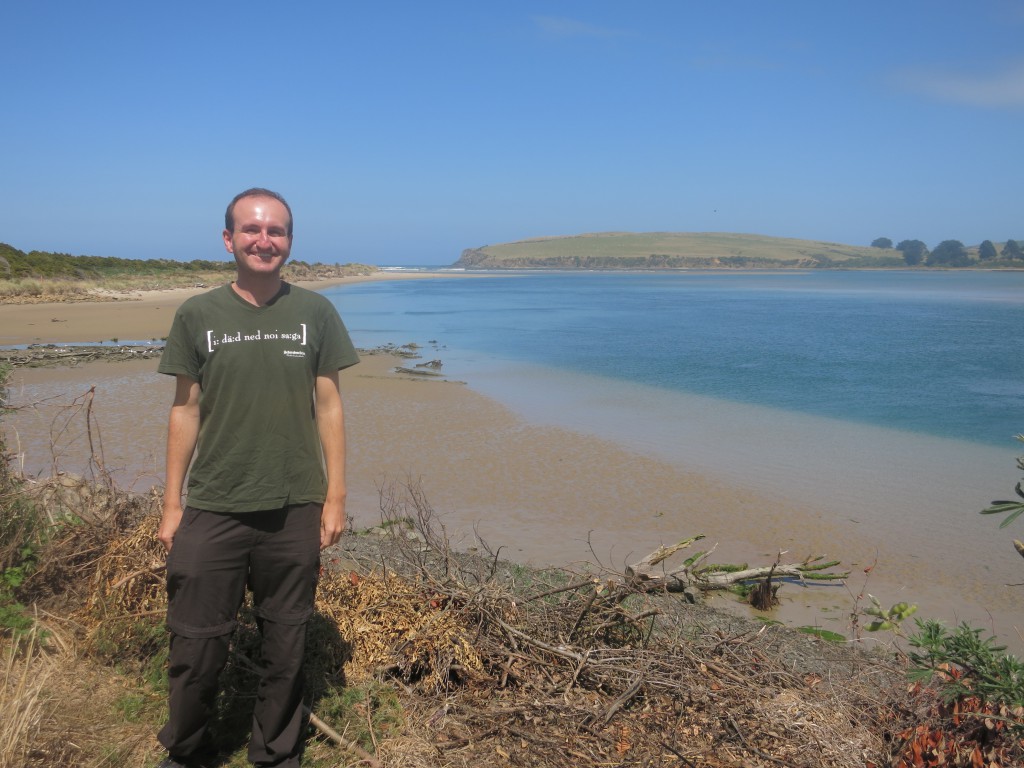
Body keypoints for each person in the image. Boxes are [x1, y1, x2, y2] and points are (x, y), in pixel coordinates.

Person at [155, 188, 360, 768]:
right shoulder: (197, 314)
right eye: (251, 229)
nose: (264, 240)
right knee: (195, 643)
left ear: (290, 242)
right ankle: (189, 750)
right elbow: (184, 410)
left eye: (276, 231)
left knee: (286, 643)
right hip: (214, 503)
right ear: (229, 239)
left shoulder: (315, 313)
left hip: (295, 504)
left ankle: (275, 753)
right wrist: (173, 504)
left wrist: (335, 494)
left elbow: (329, 406)